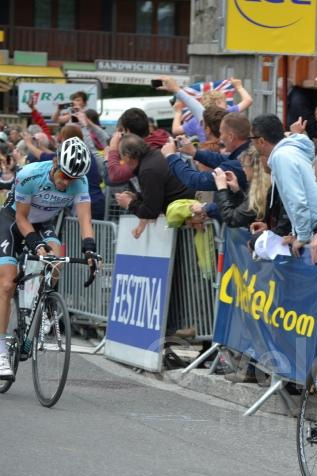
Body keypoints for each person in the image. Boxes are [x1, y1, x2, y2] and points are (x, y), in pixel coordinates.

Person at [0, 137, 97, 379]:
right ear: (55, 162)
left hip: (43, 222)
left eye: (72, 179)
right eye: (64, 175)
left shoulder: (80, 182)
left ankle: (40, 306)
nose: (66, 182)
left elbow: (85, 219)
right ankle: (0, 349)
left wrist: (90, 249)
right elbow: (22, 219)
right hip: (13, 222)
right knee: (6, 283)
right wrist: (35, 244)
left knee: (55, 261)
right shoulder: (30, 174)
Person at [249, 114, 317, 257]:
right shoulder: (291, 151)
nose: (252, 144)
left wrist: (302, 237)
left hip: (315, 228)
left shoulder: (282, 156)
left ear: (261, 140)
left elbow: (297, 200)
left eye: (252, 139)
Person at [114, 134, 196, 238]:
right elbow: (158, 195)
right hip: (188, 211)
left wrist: (129, 203)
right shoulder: (156, 155)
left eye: (121, 156)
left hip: (187, 219)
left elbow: (151, 211)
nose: (122, 160)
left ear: (127, 157)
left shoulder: (148, 170)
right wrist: (137, 197)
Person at [164, 112, 251, 192]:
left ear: (231, 137)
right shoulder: (248, 151)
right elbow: (223, 159)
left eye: (221, 134)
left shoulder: (238, 164)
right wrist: (194, 152)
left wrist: (171, 156)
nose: (220, 138)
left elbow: (196, 181)